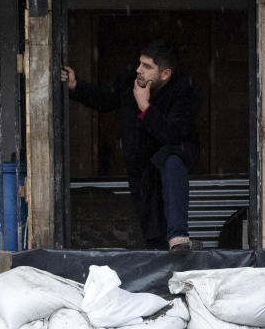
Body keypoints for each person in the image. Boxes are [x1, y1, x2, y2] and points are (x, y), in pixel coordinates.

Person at [61, 39, 201, 251]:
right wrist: (75, 86)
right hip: (141, 163)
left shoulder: (184, 92)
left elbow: (172, 135)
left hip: (173, 155)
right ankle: (159, 257)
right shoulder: (130, 82)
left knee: (172, 164)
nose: (139, 70)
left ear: (165, 74)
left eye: (147, 66)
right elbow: (105, 99)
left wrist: (144, 105)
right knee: (151, 227)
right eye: (139, 63)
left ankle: (178, 237)